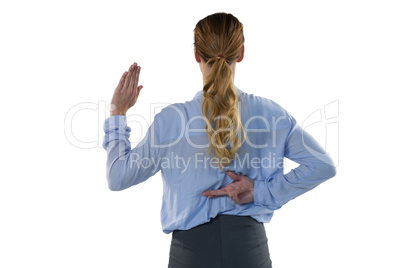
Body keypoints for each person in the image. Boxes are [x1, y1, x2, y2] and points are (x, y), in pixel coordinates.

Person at [103, 12, 336, 268]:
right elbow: (322, 165)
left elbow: (118, 177)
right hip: (250, 254)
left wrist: (118, 114)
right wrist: (260, 191)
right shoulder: (271, 114)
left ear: (196, 56)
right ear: (242, 53)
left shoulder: (171, 120)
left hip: (189, 257)